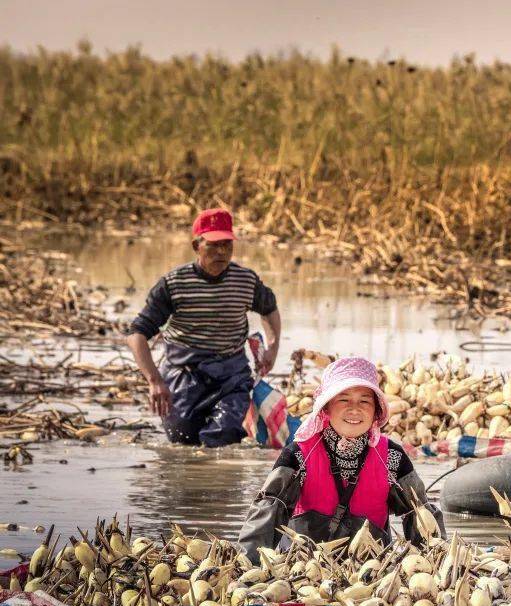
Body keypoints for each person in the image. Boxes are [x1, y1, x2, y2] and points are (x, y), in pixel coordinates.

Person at [237, 356, 444, 559]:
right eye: (343, 399)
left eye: (364, 401)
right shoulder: (299, 453)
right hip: (301, 568)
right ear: (326, 407)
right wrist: (248, 566)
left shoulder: (392, 456)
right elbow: (266, 512)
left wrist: (436, 564)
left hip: (370, 572)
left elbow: (421, 516)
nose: (355, 409)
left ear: (376, 410)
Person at [126, 208, 281, 447]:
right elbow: (136, 334)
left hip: (231, 374)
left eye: (227, 245)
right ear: (196, 246)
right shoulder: (174, 284)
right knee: (182, 442)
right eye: (213, 245)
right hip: (184, 373)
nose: (221, 252)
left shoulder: (246, 281)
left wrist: (272, 347)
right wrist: (154, 381)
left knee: (223, 437)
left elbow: (269, 310)